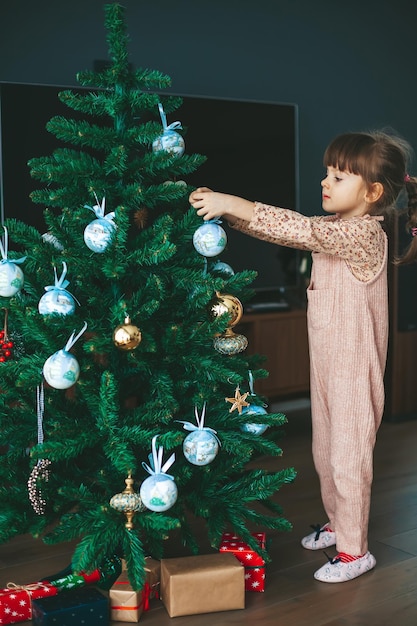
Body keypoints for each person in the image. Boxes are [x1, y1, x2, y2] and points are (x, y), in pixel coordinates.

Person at [189, 130, 417, 583]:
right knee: (325, 450)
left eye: (339, 176)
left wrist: (236, 202)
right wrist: (228, 212)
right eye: (326, 173)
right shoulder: (335, 230)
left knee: (349, 456)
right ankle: (340, 524)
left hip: (354, 369)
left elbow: (301, 228)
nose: (325, 182)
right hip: (327, 364)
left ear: (372, 192)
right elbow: (295, 234)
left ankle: (356, 550)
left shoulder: (366, 235)